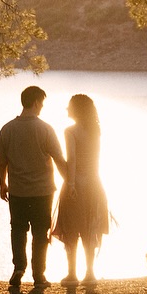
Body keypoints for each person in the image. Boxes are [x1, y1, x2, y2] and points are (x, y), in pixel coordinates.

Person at [0, 84, 66, 288]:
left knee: (17, 230)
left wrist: (3, 184)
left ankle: (18, 269)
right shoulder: (45, 129)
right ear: (36, 102)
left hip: (17, 191)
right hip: (42, 192)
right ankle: (39, 275)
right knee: (40, 233)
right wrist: (70, 182)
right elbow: (59, 159)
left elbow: (2, 161)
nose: (42, 107)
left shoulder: (7, 129)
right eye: (42, 103)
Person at [50, 93, 110, 284]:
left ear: (76, 109)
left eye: (69, 106)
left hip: (77, 185)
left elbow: (72, 160)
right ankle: (90, 274)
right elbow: (95, 160)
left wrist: (71, 184)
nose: (66, 109)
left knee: (71, 229)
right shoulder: (95, 131)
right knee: (90, 228)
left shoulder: (70, 131)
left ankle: (72, 274)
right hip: (95, 184)